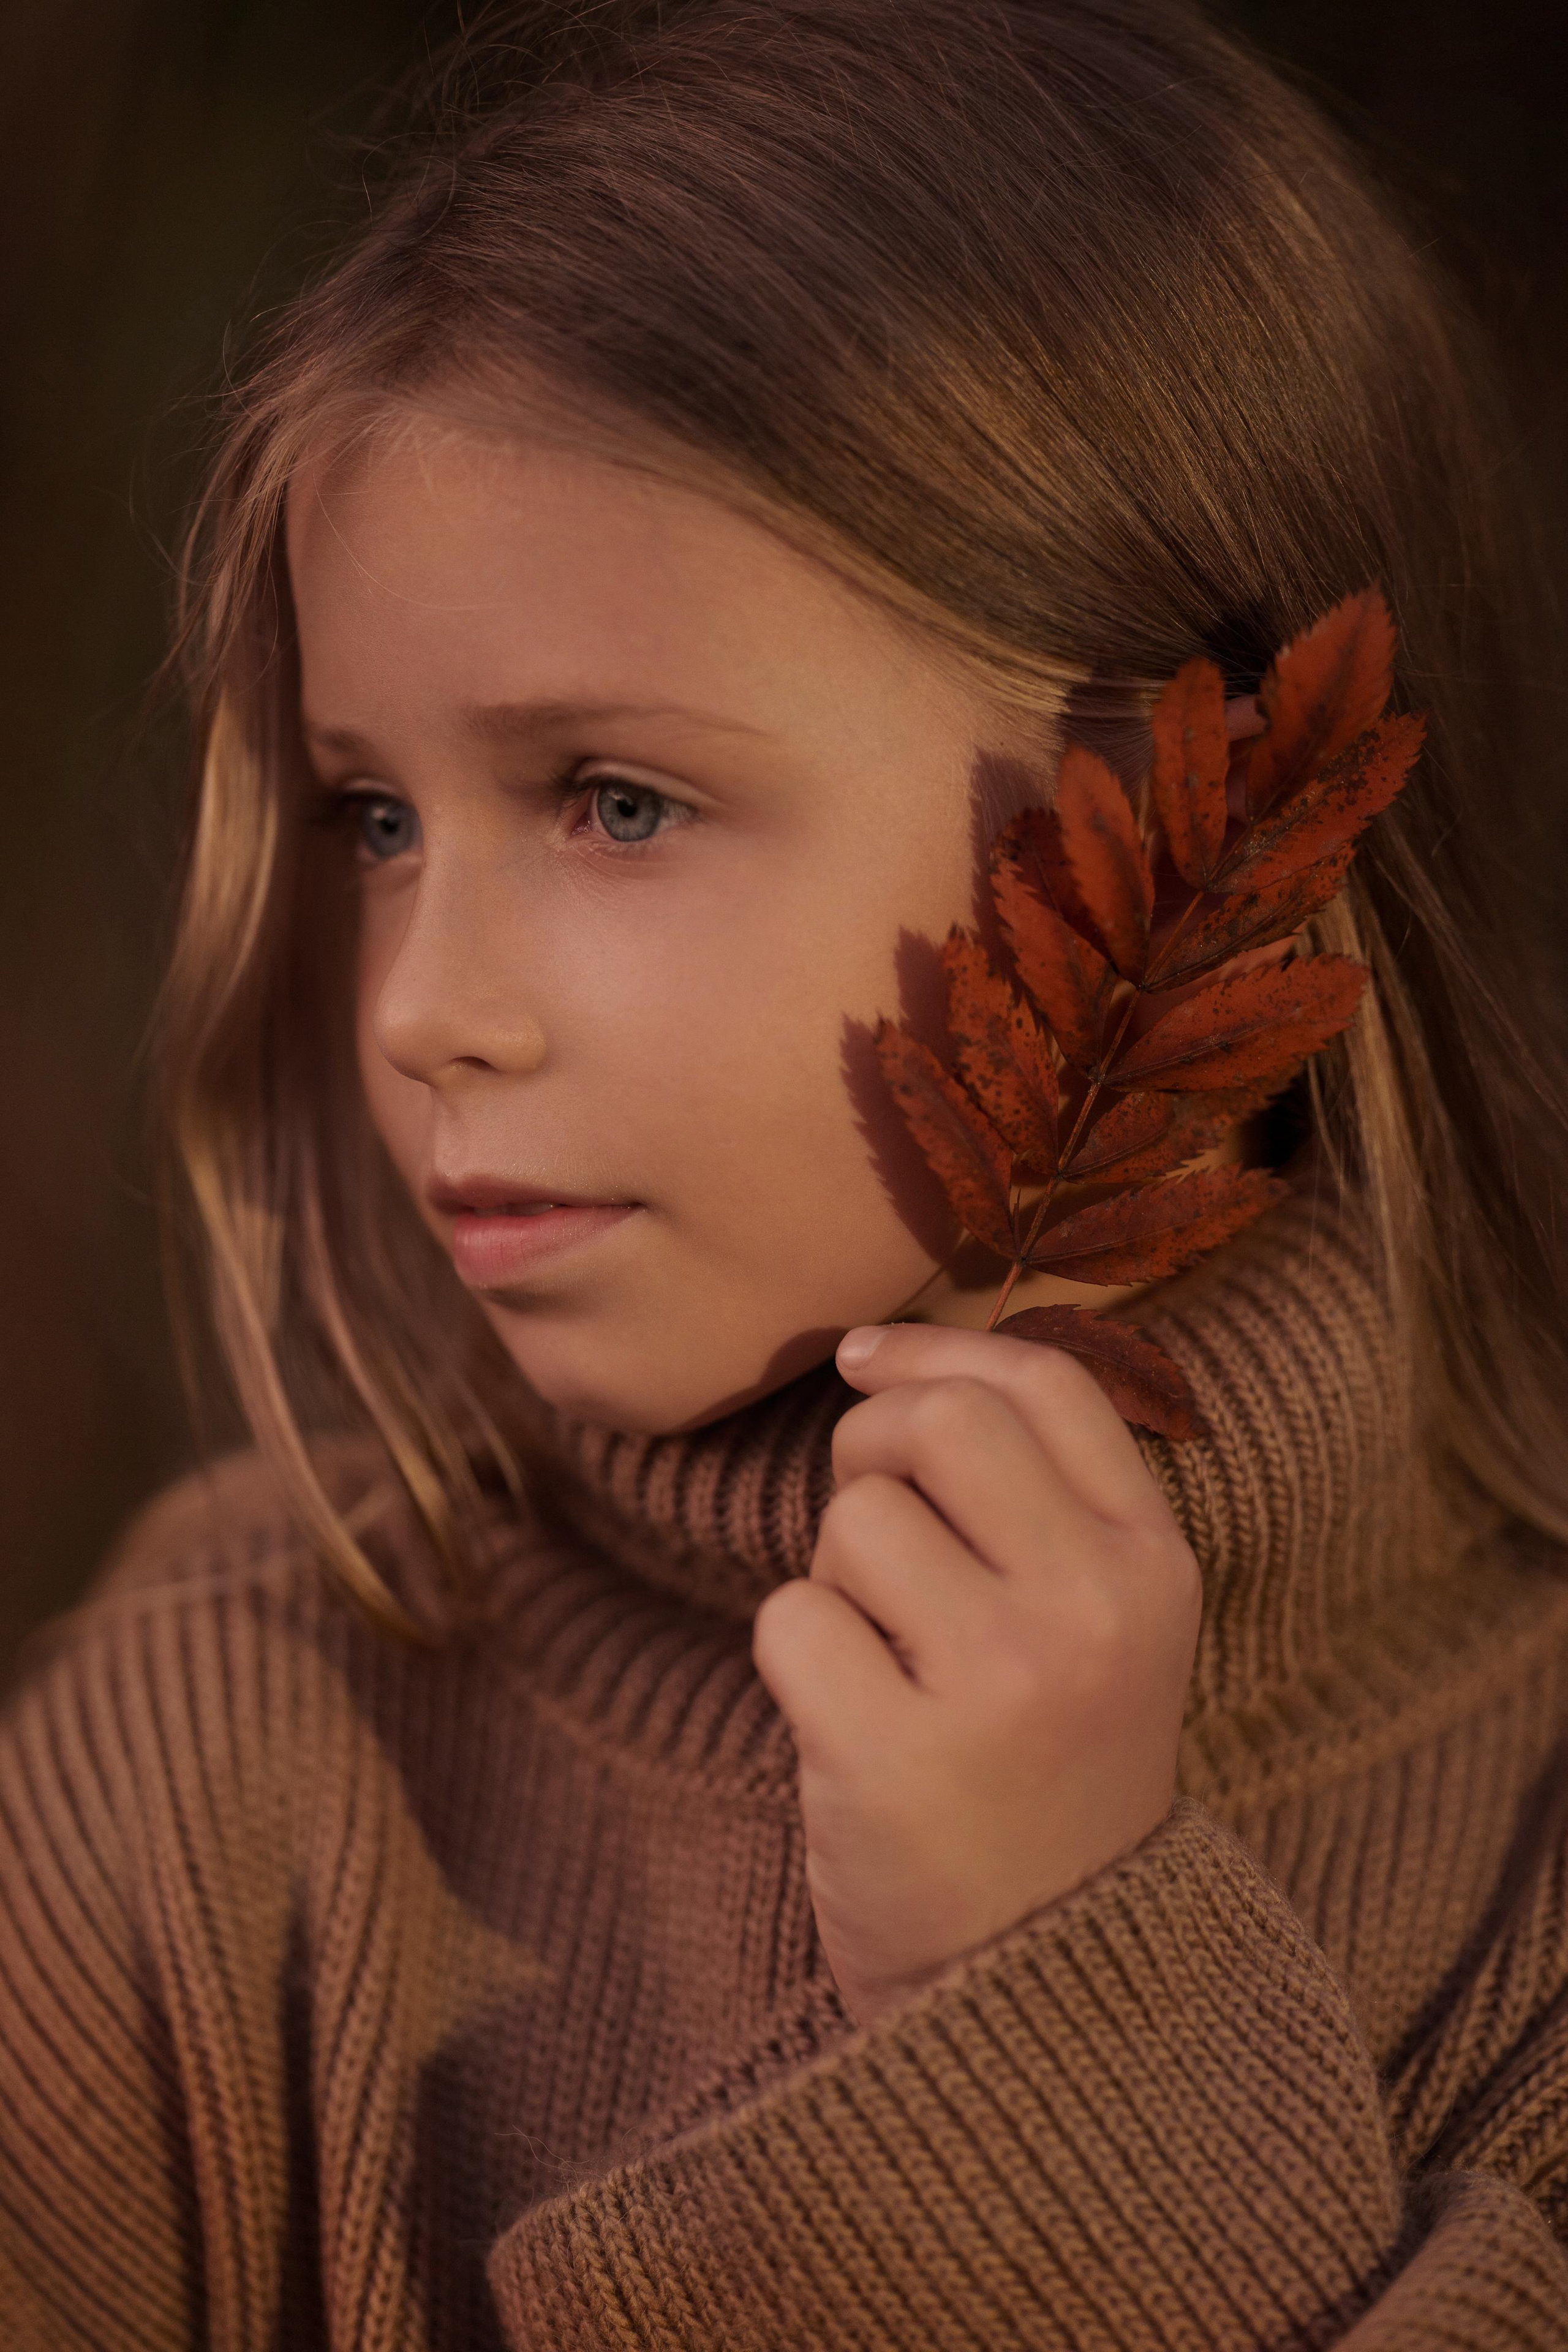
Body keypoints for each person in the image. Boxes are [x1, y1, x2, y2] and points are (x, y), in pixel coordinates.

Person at [3, 1, 1567, 2343]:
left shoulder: (1531, 1865)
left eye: (619, 800)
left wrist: (1059, 2032)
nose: (426, 1003)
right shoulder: (215, 1745)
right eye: (375, 815)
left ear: (1197, 837)